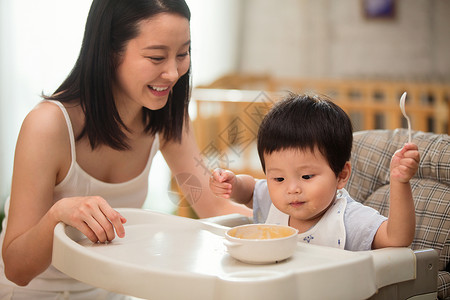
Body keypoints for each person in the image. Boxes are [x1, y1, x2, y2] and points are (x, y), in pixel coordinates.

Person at [0, 0, 250, 298]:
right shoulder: (49, 125)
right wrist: (59, 214)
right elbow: (16, 268)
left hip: (111, 289)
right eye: (157, 57)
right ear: (109, 52)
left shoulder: (167, 115)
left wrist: (288, 219)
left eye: (183, 54)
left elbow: (213, 205)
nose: (173, 73)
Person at [210, 93, 420, 251]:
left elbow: (397, 238)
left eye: (307, 176)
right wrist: (234, 183)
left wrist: (400, 182)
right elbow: (250, 191)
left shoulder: (349, 220)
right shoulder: (275, 202)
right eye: (279, 178)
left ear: (341, 175)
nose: (292, 188)